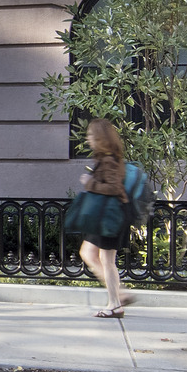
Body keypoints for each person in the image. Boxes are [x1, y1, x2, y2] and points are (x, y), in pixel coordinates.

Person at [79, 118, 132, 317]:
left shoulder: (109, 160)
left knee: (107, 260)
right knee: (89, 253)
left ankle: (115, 304)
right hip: (109, 215)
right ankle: (119, 295)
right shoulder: (108, 159)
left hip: (112, 216)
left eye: (91, 135)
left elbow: (113, 188)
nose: (88, 139)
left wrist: (90, 183)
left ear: (101, 138)